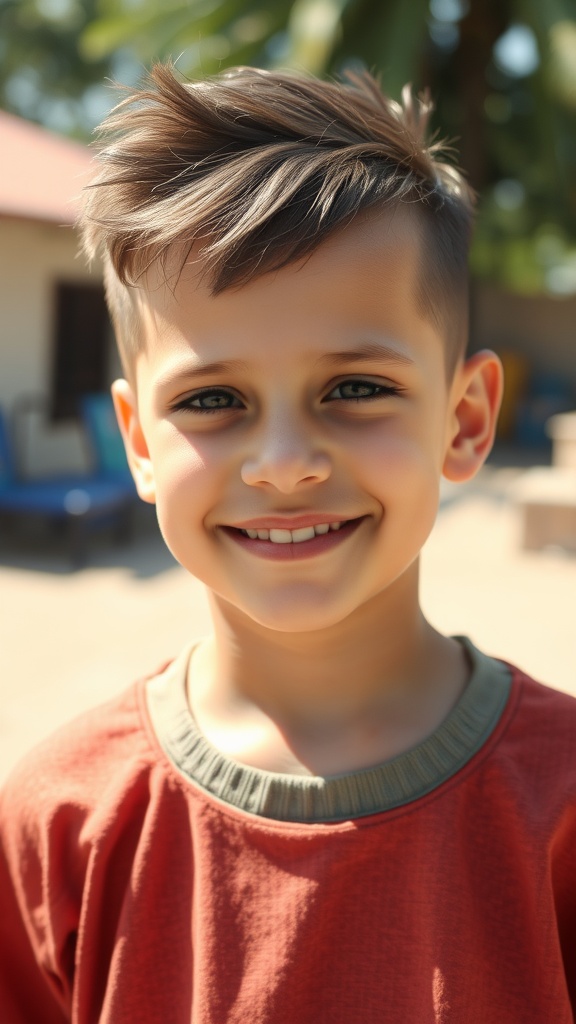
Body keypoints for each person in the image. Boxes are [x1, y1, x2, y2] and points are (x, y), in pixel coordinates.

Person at [1, 62, 575, 1024]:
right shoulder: (61, 820)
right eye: (211, 401)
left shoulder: (561, 807)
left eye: (355, 388)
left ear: (466, 421)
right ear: (140, 443)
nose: (282, 463)